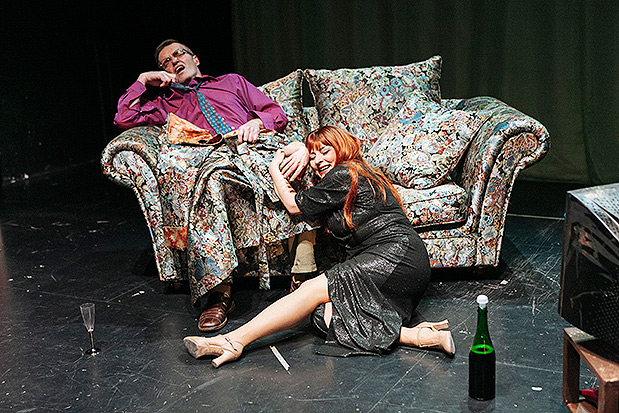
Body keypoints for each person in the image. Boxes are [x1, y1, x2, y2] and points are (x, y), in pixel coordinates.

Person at [183, 126, 455, 367]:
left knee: (310, 290)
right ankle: (420, 336)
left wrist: (274, 170)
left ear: (342, 148)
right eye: (312, 157)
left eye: (324, 152)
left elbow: (293, 205)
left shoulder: (345, 173)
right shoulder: (354, 176)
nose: (317, 162)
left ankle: (233, 340)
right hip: (403, 266)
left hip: (395, 254)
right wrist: (298, 147)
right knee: (323, 315)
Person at [113, 39, 316, 332]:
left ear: (195, 58)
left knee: (298, 164)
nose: (173, 61)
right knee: (208, 185)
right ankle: (219, 293)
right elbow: (124, 118)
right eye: (165, 62)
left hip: (254, 146)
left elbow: (275, 113)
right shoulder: (164, 102)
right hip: (213, 156)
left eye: (178, 54)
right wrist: (143, 80)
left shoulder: (231, 82)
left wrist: (257, 123)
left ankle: (303, 275)